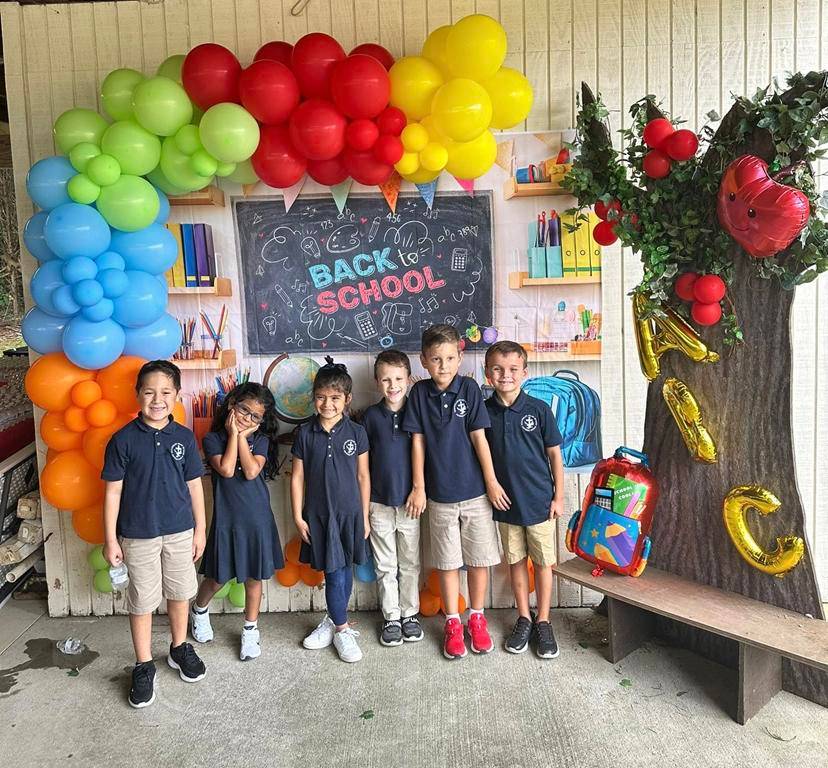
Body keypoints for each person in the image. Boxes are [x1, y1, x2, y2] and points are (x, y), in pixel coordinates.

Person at [102, 360, 207, 709]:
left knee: (180, 594)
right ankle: (143, 664)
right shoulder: (123, 440)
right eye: (149, 392)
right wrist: (111, 539)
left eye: (165, 392)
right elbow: (113, 492)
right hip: (138, 534)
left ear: (177, 395)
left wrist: (200, 530)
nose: (157, 399)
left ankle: (179, 649)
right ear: (137, 395)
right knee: (143, 601)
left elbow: (195, 486)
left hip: (180, 532)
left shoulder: (184, 437)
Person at [402, 324, 507, 660]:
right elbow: (416, 442)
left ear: (460, 358)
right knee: (446, 563)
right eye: (436, 359)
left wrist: (491, 483)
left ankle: (476, 617)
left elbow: (479, 438)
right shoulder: (418, 395)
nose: (443, 365)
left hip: (475, 492)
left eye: (449, 358)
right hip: (439, 495)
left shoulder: (470, 389)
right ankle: (452, 621)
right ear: (423, 361)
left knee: (479, 560)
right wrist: (419, 487)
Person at [189, 383, 284, 661]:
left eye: (256, 416)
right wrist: (234, 434)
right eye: (244, 410)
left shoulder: (262, 440)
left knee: (255, 579)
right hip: (228, 520)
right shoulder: (213, 439)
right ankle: (199, 610)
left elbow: (252, 471)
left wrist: (243, 437)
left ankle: (251, 630)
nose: (247, 418)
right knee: (218, 576)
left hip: (257, 519)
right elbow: (228, 470)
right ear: (232, 404)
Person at [484, 341, 564, 658]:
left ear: (525, 373)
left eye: (513, 369)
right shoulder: (483, 412)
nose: (506, 375)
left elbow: (555, 456)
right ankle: (524, 617)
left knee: (543, 563)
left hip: (540, 503)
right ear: (488, 374)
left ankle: (543, 621)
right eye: (498, 369)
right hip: (506, 505)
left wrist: (559, 496)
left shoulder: (539, 410)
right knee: (515, 562)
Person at [291, 357, 371, 663]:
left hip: (350, 514)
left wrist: (363, 516)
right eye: (322, 397)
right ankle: (340, 626)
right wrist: (298, 515)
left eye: (335, 398)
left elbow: (363, 476)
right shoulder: (305, 434)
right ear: (314, 398)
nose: (328, 404)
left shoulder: (357, 433)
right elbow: (297, 477)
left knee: (343, 570)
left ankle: (336, 624)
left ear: (347, 399)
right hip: (319, 516)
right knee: (334, 573)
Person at [362, 349, 423, 647]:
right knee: (385, 564)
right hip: (379, 502)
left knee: (410, 561)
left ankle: (410, 614)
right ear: (376, 382)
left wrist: (418, 489)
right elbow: (364, 465)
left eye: (398, 378)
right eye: (386, 379)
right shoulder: (371, 417)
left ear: (409, 380)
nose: (393, 385)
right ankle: (392, 617)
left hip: (411, 501)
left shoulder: (417, 411)